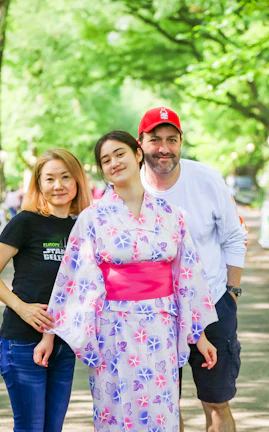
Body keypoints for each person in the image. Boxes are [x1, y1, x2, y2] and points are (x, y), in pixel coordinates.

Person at [37, 131, 219, 432]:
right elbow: (74, 281)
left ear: (137, 154)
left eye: (119, 154)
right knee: (116, 410)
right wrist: (49, 334)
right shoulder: (92, 218)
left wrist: (199, 335)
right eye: (105, 160)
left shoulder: (173, 215)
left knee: (161, 409)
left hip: (161, 325)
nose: (114, 163)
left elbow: (187, 276)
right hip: (114, 329)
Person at [138, 107, 248, 432]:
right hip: (156, 313)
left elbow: (234, 237)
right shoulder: (129, 189)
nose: (164, 148)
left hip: (212, 307)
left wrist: (232, 295)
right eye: (155, 139)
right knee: (165, 404)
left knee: (216, 403)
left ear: (181, 142)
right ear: (140, 142)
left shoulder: (207, 179)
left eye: (172, 139)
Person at [0, 149, 91, 432]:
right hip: (21, 343)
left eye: (66, 177)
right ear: (39, 184)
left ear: (77, 181)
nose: (58, 185)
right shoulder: (25, 222)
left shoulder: (82, 227)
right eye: (49, 178)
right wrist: (22, 307)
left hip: (62, 344)